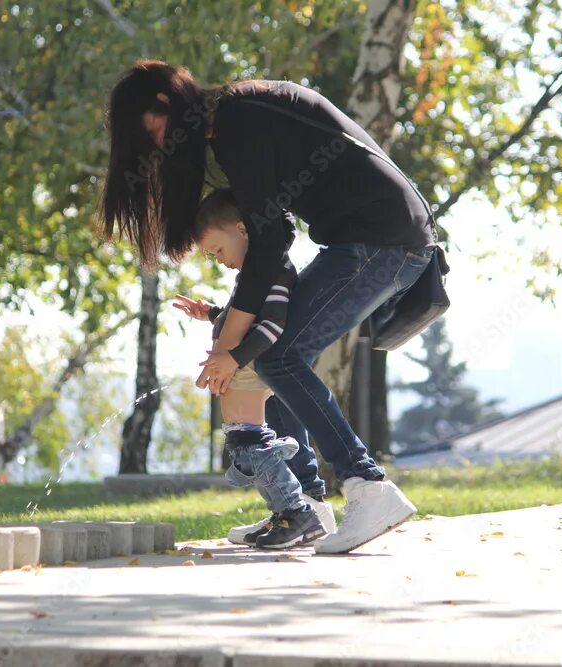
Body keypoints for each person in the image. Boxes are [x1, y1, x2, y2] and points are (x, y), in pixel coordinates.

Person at [99, 60, 438, 554]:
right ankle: (305, 508)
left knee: (276, 356)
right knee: (273, 355)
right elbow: (272, 234)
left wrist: (231, 349)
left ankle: (368, 485)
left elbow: (268, 245)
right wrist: (232, 342)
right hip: (367, 242)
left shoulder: (239, 117)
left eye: (145, 129)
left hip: (384, 242)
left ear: (165, 102)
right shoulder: (230, 121)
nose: (151, 145)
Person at [174, 188, 336, 549]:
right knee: (247, 441)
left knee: (248, 443)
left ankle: (298, 513)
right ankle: (287, 511)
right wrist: (213, 314)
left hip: (253, 365)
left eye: (218, 249)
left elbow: (272, 325)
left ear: (243, 229)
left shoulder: (272, 271)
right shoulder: (255, 275)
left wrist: (233, 358)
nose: (219, 260)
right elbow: (249, 317)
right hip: (248, 366)